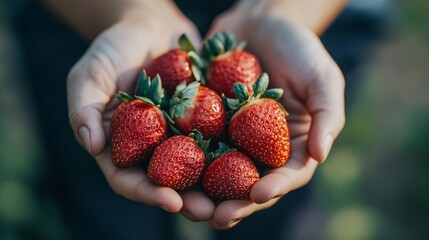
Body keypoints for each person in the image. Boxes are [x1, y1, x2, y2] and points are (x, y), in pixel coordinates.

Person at [10, 0, 388, 239]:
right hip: (81, 14)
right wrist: (129, 11)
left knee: (278, 219)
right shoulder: (150, 112)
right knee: (103, 210)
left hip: (319, 12)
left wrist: (286, 10)